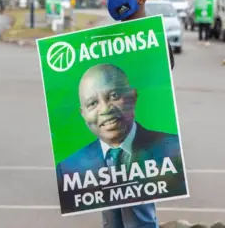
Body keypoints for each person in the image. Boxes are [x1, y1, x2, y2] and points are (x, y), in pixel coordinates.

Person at [55, 64, 186, 216]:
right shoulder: (68, 169)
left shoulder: (172, 150)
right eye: (92, 103)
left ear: (133, 96)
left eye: (115, 96)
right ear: (82, 113)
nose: (105, 110)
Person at [103, 0, 175, 227]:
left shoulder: (152, 38)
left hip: (139, 148)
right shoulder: (106, 40)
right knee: (112, 218)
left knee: (138, 216)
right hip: (110, 147)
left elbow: (160, 80)